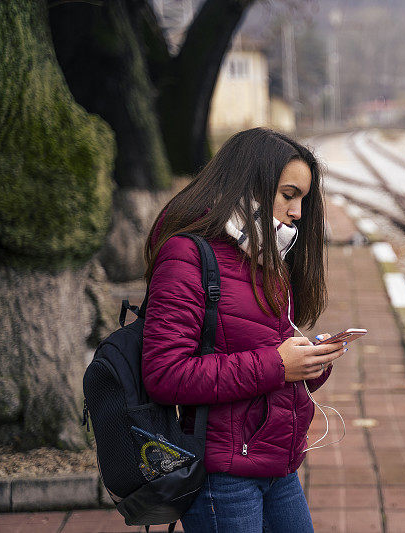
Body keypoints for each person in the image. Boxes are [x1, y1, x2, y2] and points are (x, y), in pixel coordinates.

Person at [141, 127, 346, 532]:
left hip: (278, 466)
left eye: (302, 199)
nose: (298, 213)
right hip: (223, 476)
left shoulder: (266, 254)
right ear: (251, 184)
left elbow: (261, 362)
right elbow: (164, 375)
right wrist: (277, 364)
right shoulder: (186, 255)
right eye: (289, 195)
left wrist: (307, 362)